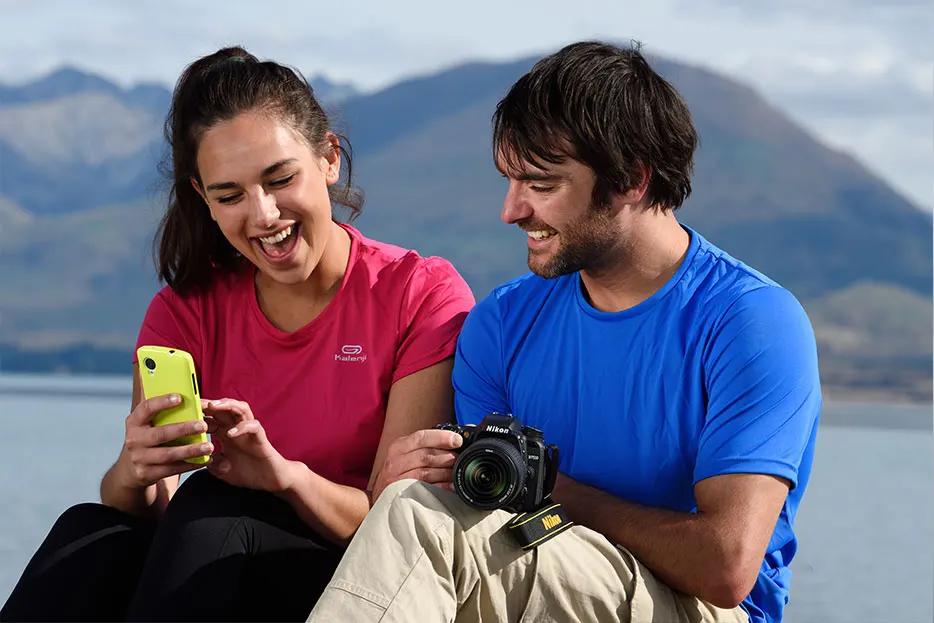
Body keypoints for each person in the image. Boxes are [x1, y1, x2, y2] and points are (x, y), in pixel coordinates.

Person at [305, 41, 821, 623]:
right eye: (510, 181)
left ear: (632, 179)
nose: (511, 211)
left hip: (701, 609)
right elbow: (488, 523)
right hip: (543, 567)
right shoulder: (501, 324)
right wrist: (438, 476)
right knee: (414, 504)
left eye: (542, 186)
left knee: (418, 520)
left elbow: (725, 566)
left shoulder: (751, 323)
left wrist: (548, 487)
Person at [1, 46, 474, 622]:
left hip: (355, 574)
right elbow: (149, 509)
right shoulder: (184, 311)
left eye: (280, 179)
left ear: (329, 158)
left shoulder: (419, 294)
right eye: (230, 196)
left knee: (215, 505)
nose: (264, 214)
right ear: (203, 199)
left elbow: (399, 520)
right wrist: (134, 470)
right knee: (89, 532)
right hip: (212, 565)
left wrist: (283, 478)